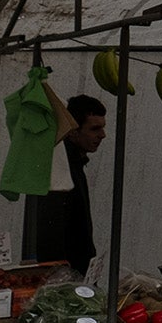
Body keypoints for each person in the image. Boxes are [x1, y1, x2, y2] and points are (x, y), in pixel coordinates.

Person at [30, 94, 106, 274]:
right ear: (72, 131)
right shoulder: (60, 169)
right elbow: (51, 231)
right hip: (66, 274)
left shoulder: (76, 164)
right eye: (95, 129)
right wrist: (60, 274)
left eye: (102, 128)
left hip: (78, 271)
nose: (102, 135)